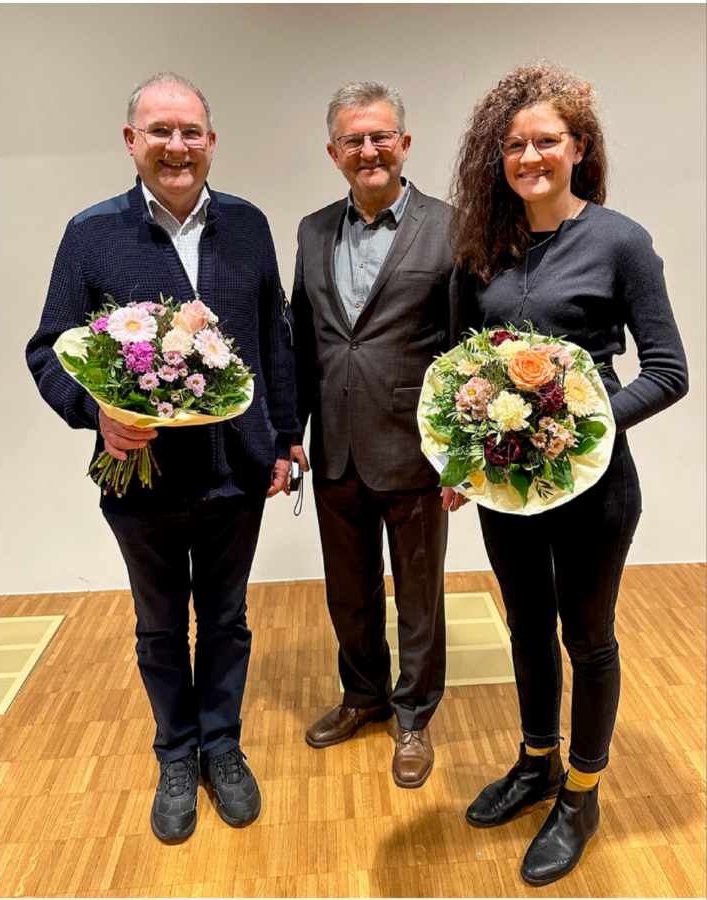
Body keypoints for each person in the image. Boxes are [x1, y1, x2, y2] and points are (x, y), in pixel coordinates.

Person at [26, 73, 300, 844]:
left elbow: (272, 337)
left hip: (235, 473)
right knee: (157, 629)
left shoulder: (247, 225)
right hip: (139, 480)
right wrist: (96, 413)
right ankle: (176, 753)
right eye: (160, 131)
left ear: (211, 141)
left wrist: (285, 439)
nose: (176, 147)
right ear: (131, 142)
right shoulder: (91, 233)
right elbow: (48, 350)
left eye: (190, 132)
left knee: (226, 619)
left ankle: (222, 745)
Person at [451, 61, 688, 885]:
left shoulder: (621, 242)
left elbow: (667, 370)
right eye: (514, 145)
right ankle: (537, 763)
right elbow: (458, 365)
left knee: (587, 640)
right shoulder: (483, 244)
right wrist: (458, 456)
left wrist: (578, 427)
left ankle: (581, 794)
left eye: (546, 141)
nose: (529, 157)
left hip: (593, 487)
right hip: (505, 487)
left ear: (577, 147)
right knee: (524, 628)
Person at [290, 81, 466, 790]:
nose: (369, 150)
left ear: (404, 144)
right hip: (334, 444)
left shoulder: (452, 227)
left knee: (418, 592)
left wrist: (462, 456)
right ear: (334, 153)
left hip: (416, 448)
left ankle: (414, 717)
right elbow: (301, 339)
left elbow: (464, 349)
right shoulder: (310, 229)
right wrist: (289, 434)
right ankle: (363, 695)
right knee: (349, 589)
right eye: (354, 140)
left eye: (381, 136)